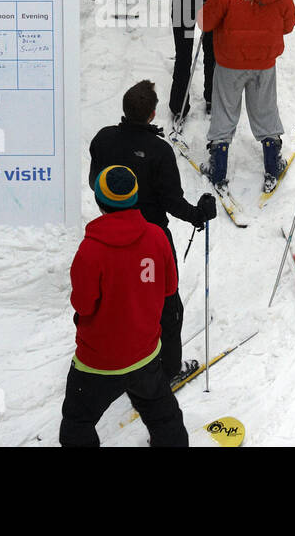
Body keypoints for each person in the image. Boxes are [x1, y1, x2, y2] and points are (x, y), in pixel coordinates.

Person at [88, 80, 215, 383]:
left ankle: (122, 356)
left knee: (121, 299)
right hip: (150, 238)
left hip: (110, 233)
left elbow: (96, 181)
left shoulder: (104, 139)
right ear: (153, 113)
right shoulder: (159, 151)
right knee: (167, 305)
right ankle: (169, 370)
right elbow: (172, 201)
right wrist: (198, 214)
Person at [59, 165, 188, 447]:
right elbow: (169, 289)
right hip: (145, 355)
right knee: (163, 416)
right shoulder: (156, 237)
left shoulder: (90, 251)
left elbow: (83, 305)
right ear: (134, 197)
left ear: (99, 200)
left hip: (97, 363)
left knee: (77, 422)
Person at [197, 0, 295, 193]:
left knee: (225, 111)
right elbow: (288, 25)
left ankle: (218, 168)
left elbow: (205, 23)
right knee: (265, 110)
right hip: (263, 62)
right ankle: (272, 164)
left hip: (229, 63)